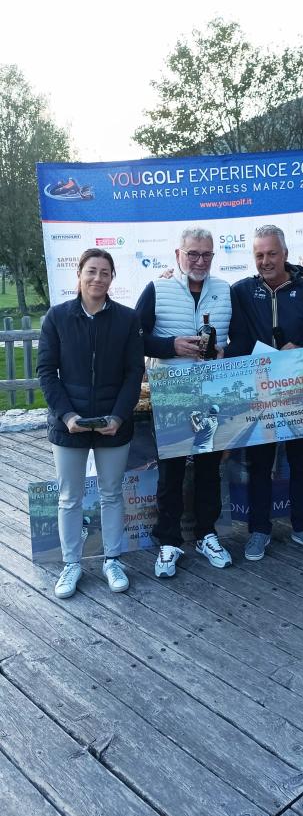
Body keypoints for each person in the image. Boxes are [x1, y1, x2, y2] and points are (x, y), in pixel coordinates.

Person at [37, 248, 145, 599]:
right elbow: (46, 373)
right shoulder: (56, 318)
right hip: (68, 424)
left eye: (105, 272)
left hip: (114, 422)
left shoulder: (128, 319)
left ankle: (112, 560)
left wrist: (119, 416)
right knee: (69, 497)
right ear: (79, 274)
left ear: (112, 278)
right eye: (92, 271)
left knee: (112, 493)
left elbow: (134, 373)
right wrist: (67, 416)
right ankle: (71, 564)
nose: (98, 278)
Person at [136, 227, 232, 578]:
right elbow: (135, 337)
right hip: (173, 393)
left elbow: (237, 338)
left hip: (211, 391)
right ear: (178, 254)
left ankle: (207, 534)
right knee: (172, 471)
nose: (200, 261)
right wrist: (170, 346)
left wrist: (225, 351)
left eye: (206, 254)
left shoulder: (224, 290)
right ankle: (169, 541)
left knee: (209, 468)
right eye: (193, 254)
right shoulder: (157, 288)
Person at [227, 224, 303, 561]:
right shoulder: (240, 291)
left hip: (299, 390)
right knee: (259, 465)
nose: (266, 261)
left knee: (300, 462)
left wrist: (302, 347)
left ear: (285, 253)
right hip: (258, 393)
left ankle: (302, 527)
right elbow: (237, 338)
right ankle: (259, 530)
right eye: (259, 255)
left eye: (272, 253)